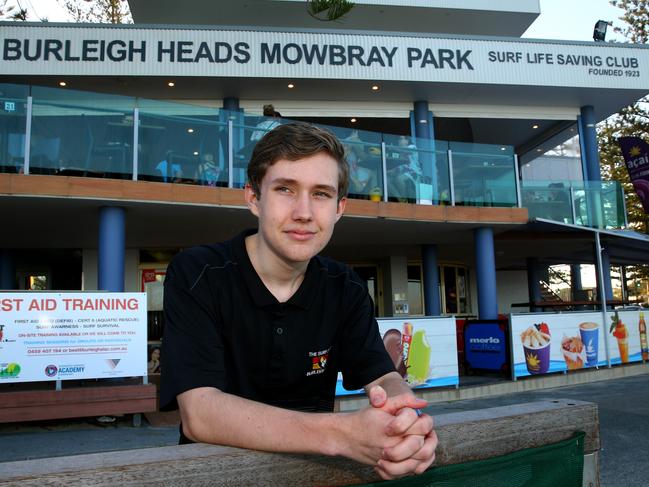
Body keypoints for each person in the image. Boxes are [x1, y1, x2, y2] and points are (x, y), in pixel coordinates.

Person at [160, 123, 437, 480]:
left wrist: (404, 418)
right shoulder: (198, 272)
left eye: (321, 193)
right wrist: (342, 434)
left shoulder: (345, 287)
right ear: (253, 197)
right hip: (214, 477)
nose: (303, 212)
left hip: (311, 477)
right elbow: (200, 414)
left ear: (340, 207)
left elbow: (381, 375)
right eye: (286, 189)